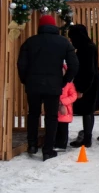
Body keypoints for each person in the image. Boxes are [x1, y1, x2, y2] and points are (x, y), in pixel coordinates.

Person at [17, 15, 79, 161]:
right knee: (51, 117)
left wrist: (26, 80)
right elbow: (74, 65)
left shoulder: (30, 42)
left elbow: (21, 64)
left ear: (40, 26)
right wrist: (64, 81)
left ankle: (32, 145)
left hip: (33, 85)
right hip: (53, 85)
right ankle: (48, 150)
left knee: (33, 114)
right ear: (54, 26)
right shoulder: (63, 43)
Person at [67, 24, 99, 149]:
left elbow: (88, 70)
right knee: (89, 111)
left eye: (72, 38)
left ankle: (86, 139)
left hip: (88, 83)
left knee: (87, 111)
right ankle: (87, 137)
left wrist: (82, 89)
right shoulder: (89, 46)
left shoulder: (86, 48)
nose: (71, 41)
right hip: (91, 82)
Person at [55, 64, 77, 151]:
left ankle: (62, 144)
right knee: (55, 128)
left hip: (65, 111)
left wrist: (63, 102)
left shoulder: (69, 83)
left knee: (63, 128)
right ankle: (55, 143)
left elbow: (74, 95)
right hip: (55, 109)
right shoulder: (54, 82)